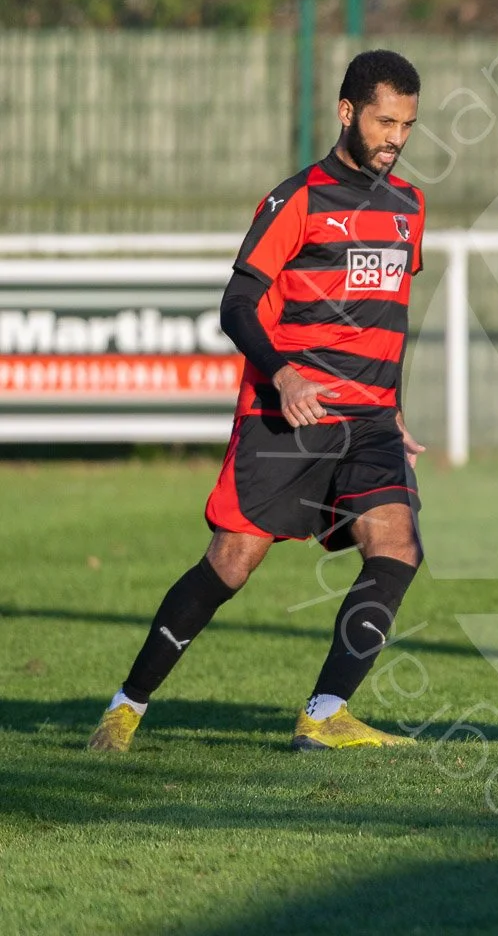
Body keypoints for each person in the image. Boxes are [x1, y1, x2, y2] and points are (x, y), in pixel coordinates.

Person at [87, 50, 428, 753]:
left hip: (367, 421)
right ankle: (127, 706)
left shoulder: (408, 207)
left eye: (408, 125)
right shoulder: (298, 199)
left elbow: (388, 315)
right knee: (232, 562)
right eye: (384, 121)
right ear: (347, 113)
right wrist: (283, 374)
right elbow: (237, 305)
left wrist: (392, 406)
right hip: (290, 413)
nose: (396, 137)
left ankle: (325, 714)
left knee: (395, 548)